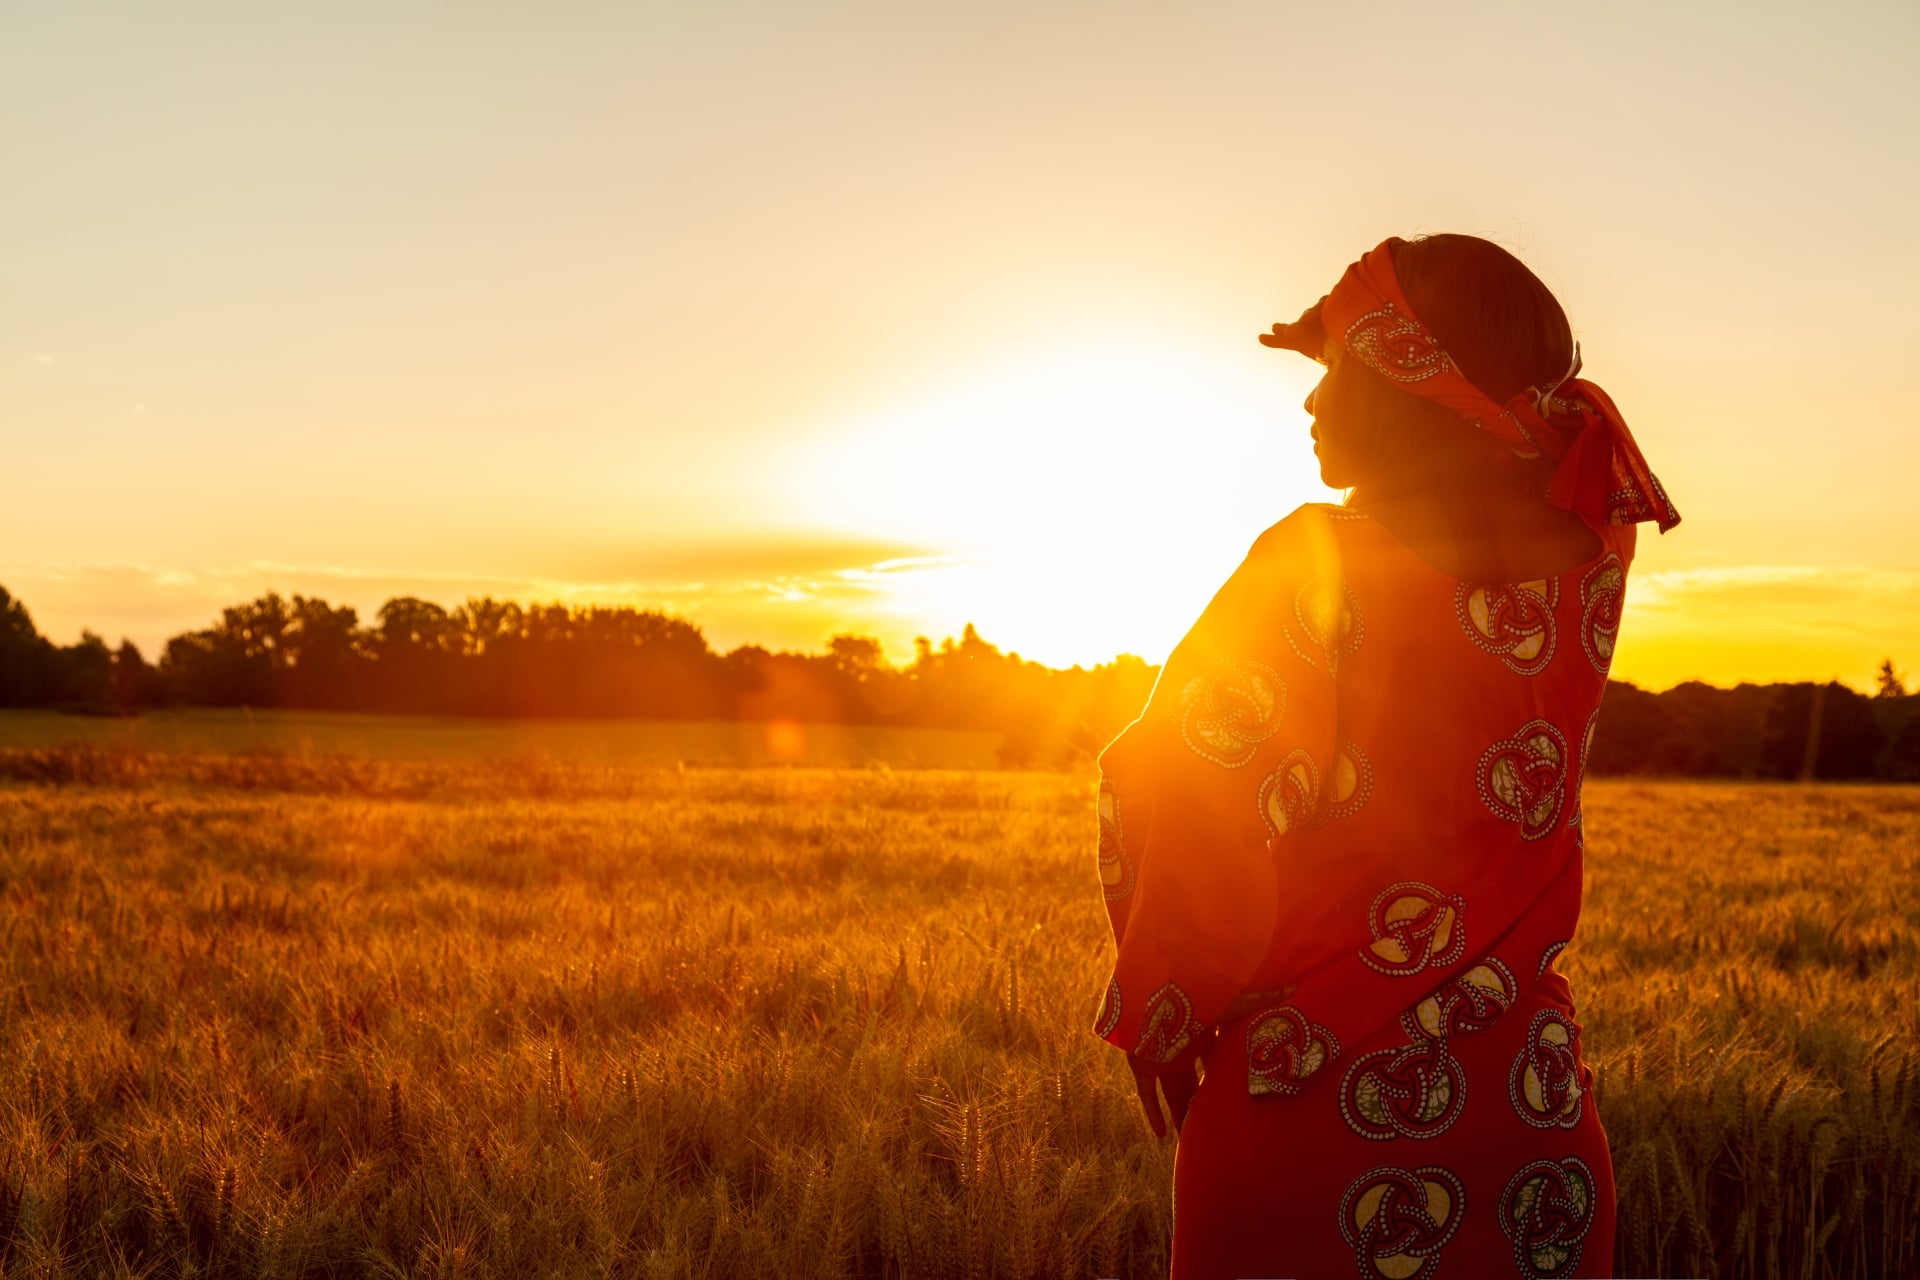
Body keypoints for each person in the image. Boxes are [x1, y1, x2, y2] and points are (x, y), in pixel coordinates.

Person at [1091, 234, 1679, 1279]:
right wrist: (1354, 335)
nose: (1312, 404)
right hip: (1536, 1129)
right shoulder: (1594, 554)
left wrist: (1166, 1008)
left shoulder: (1314, 562)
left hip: (1311, 1116)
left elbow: (1182, 786)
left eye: (1339, 371)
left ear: (1416, 383)